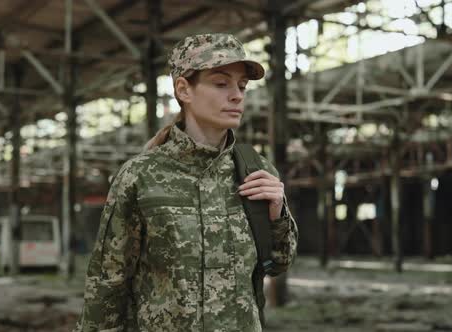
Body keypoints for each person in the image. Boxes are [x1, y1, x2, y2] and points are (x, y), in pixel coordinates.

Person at [74, 33, 298, 332]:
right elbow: (108, 283)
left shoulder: (256, 173)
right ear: (184, 90)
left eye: (242, 86)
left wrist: (277, 214)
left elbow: (278, 264)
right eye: (221, 84)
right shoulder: (141, 176)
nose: (237, 95)